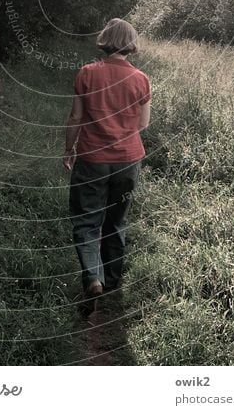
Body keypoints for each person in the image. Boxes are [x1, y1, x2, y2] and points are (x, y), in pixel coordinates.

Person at [63, 18, 151, 314]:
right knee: (116, 221)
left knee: (87, 222)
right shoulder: (141, 78)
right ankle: (111, 282)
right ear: (131, 43)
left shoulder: (87, 73)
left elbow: (75, 118)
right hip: (128, 161)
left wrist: (68, 150)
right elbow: (143, 123)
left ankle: (92, 278)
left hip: (91, 159)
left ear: (105, 39)